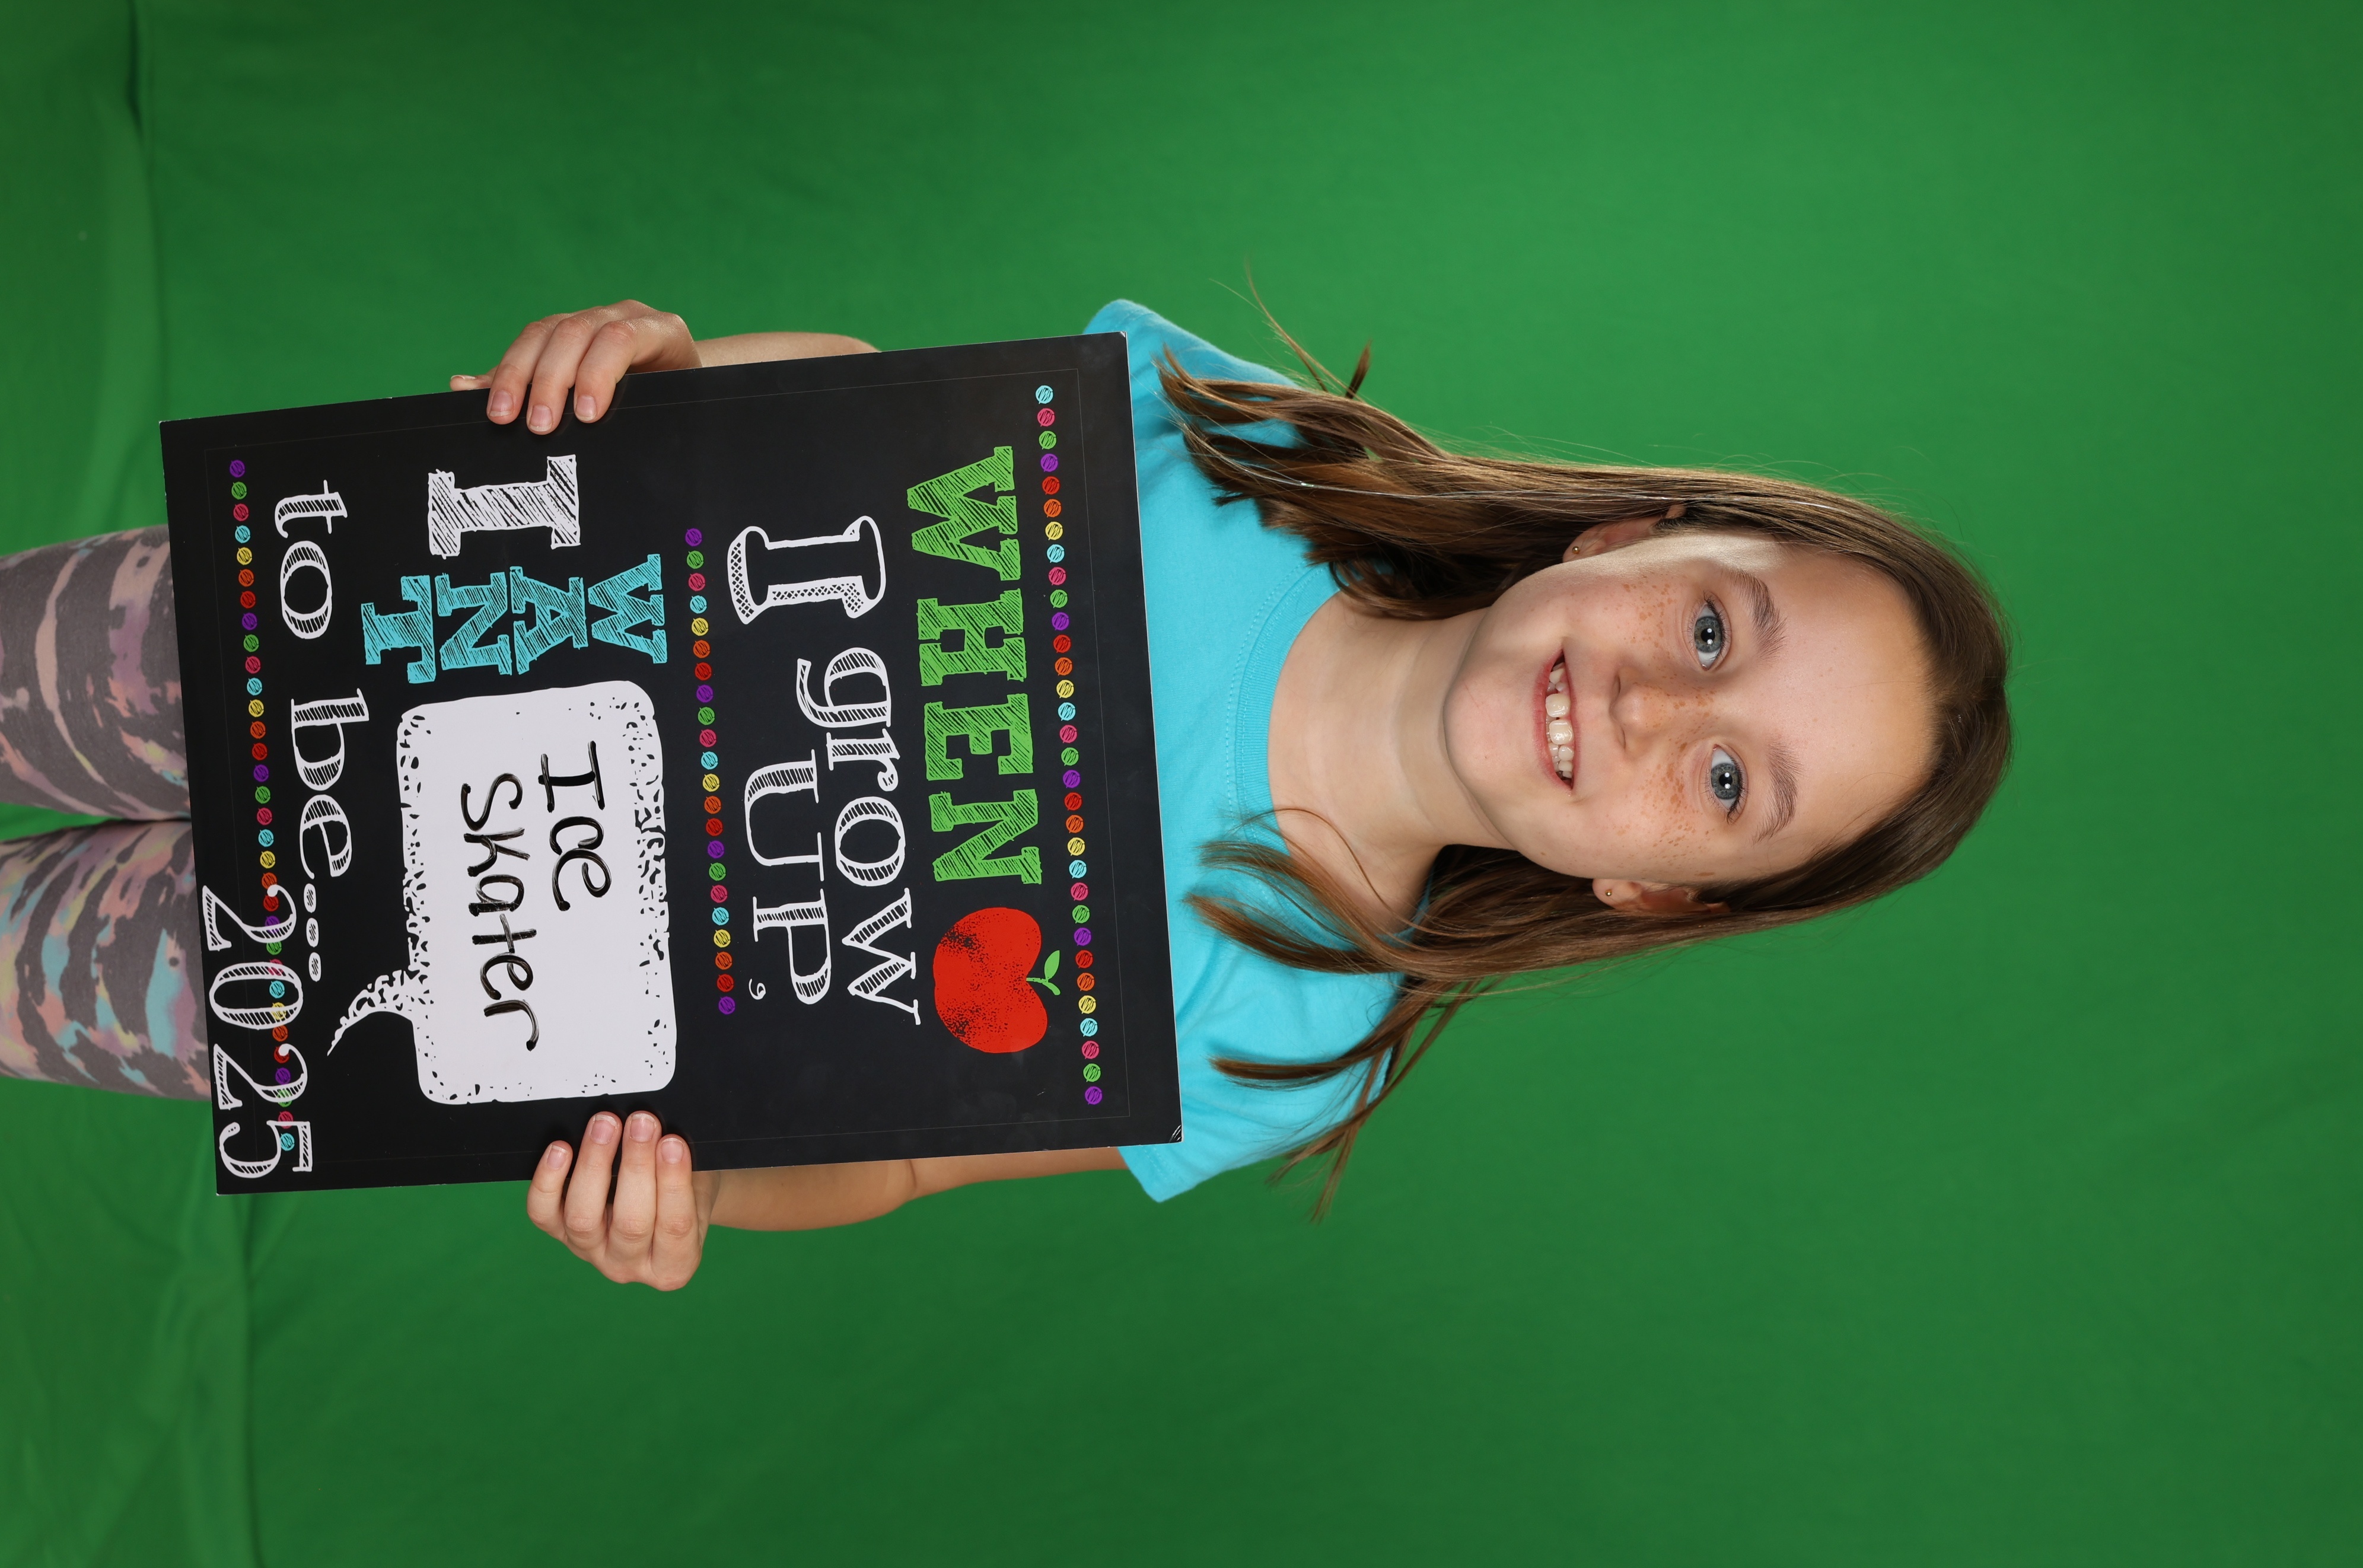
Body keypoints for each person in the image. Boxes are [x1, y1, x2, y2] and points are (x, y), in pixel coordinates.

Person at [0, 299, 2011, 1291]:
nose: (1655, 708)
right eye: (1717, 627)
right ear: (1638, 537)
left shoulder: (1300, 1036)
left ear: (1664, 893)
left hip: (394, 976)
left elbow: (895, 1159)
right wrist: (664, 373)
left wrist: (688, 1198)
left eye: (1729, 783)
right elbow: (856, 409)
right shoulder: (1261, 454)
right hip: (343, 612)